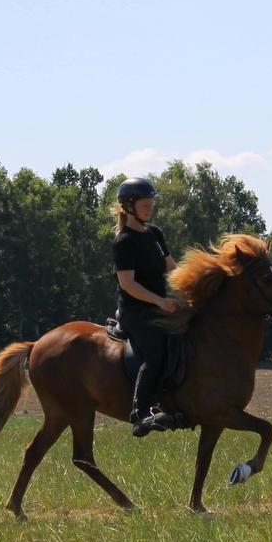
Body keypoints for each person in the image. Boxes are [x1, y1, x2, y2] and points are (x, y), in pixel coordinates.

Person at [112, 177, 179, 437]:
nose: (149, 209)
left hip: (161, 305)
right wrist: (160, 301)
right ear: (129, 206)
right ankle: (140, 414)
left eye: (151, 204)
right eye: (144, 205)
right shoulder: (124, 241)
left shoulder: (154, 234)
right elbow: (128, 284)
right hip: (136, 311)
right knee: (154, 355)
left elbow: (171, 268)